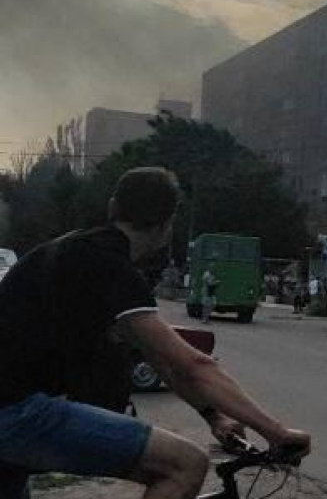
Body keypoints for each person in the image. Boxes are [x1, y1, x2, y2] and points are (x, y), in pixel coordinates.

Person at [0, 167, 311, 499]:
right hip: (16, 411)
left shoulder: (71, 250)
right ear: (167, 225)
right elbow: (194, 366)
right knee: (186, 465)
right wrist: (275, 431)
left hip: (12, 404)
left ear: (112, 207)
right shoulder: (111, 267)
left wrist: (214, 417)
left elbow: (163, 361)